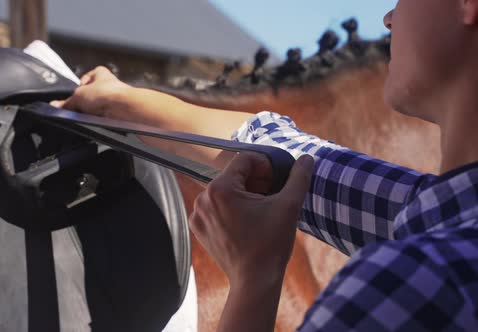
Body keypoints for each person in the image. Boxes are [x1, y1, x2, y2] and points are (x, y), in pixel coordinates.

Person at [53, 0, 478, 330]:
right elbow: (286, 154)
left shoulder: (415, 283)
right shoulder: (437, 213)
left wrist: (254, 277)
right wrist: (119, 98)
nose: (389, 17)